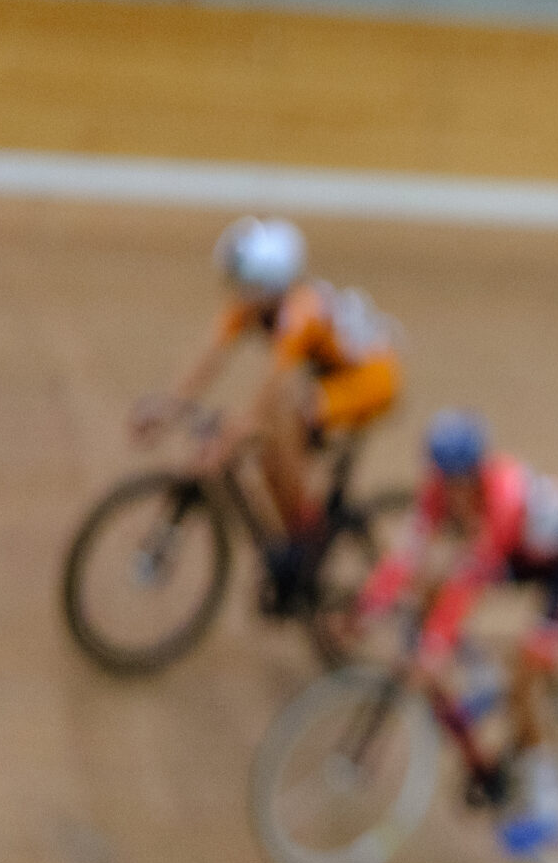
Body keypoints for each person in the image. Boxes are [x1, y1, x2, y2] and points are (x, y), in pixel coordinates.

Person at [355, 410, 558, 856]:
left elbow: (470, 581)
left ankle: (552, 811)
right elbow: (405, 556)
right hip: (526, 555)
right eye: (443, 477)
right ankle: (481, 679)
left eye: (459, 479)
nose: (450, 490)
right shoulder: (437, 491)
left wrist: (434, 650)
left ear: (476, 470)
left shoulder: (503, 496)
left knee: (523, 678)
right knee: (430, 591)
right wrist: (366, 608)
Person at [129, 218, 405, 605]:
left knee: (284, 416)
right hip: (334, 376)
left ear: (267, 283)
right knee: (267, 436)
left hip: (371, 381)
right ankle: (295, 531)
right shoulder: (254, 305)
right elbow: (208, 360)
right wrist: (168, 406)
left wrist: (232, 435)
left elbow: (273, 387)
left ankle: (304, 532)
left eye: (243, 282)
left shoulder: (301, 311)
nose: (237, 291)